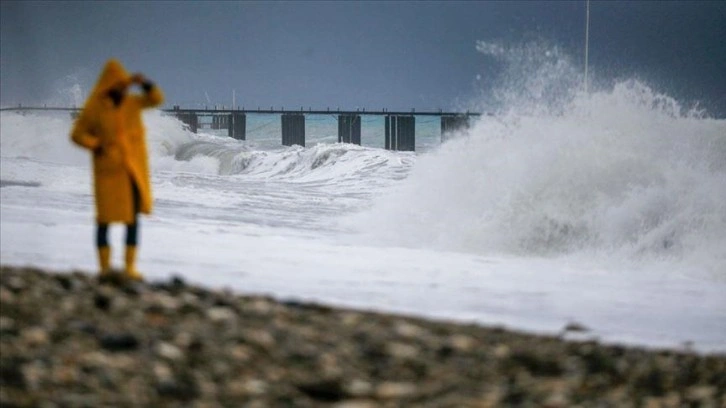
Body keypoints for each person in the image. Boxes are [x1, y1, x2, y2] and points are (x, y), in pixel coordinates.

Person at [70, 59, 163, 281]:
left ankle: (129, 267)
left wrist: (145, 84)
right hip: (107, 172)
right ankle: (104, 268)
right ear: (108, 86)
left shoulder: (131, 103)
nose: (122, 89)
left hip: (131, 170)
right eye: (118, 85)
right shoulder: (95, 108)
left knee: (132, 219)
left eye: (124, 85)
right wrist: (96, 145)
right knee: (104, 220)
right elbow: (77, 134)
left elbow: (156, 99)